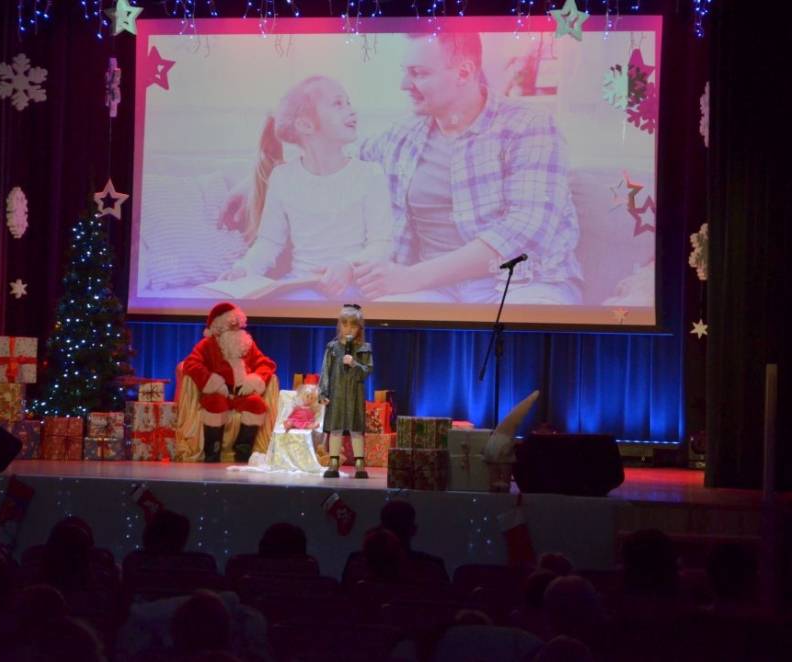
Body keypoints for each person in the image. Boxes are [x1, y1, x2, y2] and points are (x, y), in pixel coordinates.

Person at [353, 33, 581, 304]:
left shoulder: (529, 126)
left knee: (517, 325)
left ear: (464, 72)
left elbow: (523, 231)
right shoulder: (401, 136)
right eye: (406, 72)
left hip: (522, 282)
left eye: (419, 73)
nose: (404, 85)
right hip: (435, 290)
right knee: (377, 320)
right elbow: (340, 161)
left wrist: (411, 277)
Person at [219, 75, 393, 297]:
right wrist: (243, 269)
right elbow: (269, 242)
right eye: (338, 103)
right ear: (305, 125)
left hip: (354, 287)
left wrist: (348, 267)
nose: (351, 110)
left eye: (348, 102)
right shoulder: (283, 178)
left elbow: (382, 244)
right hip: (300, 285)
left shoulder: (370, 174)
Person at [181, 302, 277, 463]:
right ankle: (213, 451)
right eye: (232, 325)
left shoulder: (247, 343)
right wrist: (214, 383)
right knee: (215, 405)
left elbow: (266, 364)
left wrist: (254, 380)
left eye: (238, 325)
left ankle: (243, 450)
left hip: (241, 394)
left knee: (256, 404)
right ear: (219, 327)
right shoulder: (207, 345)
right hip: (219, 393)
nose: (236, 329)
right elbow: (191, 364)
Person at [319, 304, 372, 478]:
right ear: (339, 325)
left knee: (356, 429)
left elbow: (367, 371)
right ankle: (333, 463)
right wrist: (323, 392)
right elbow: (325, 371)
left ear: (359, 328)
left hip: (355, 395)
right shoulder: (332, 347)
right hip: (337, 394)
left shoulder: (364, 348)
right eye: (345, 324)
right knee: (335, 429)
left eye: (353, 325)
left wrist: (354, 363)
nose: (349, 329)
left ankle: (360, 465)